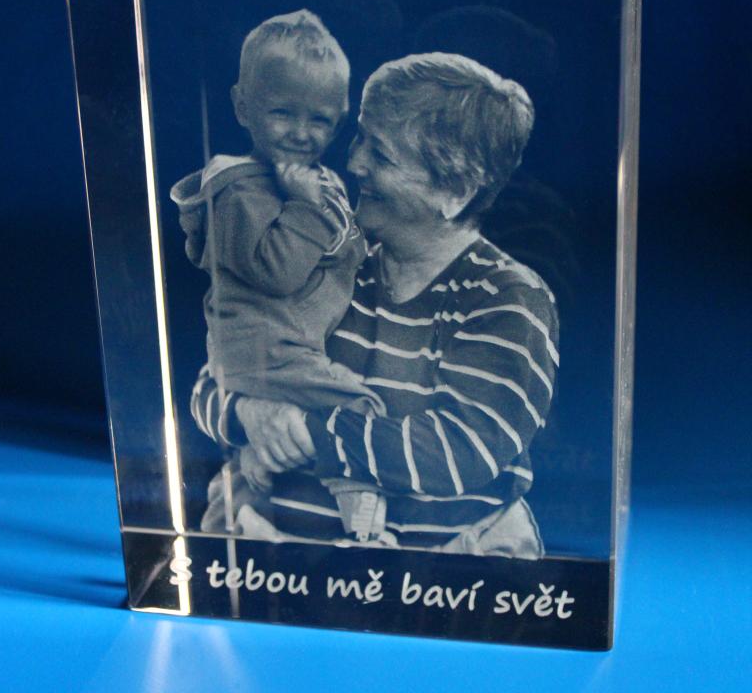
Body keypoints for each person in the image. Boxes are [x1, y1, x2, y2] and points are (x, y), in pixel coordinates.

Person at [192, 52, 559, 558]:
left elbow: (459, 450)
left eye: (381, 156)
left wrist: (308, 431)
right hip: (272, 564)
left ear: (455, 191)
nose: (354, 162)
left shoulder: (508, 299)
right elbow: (216, 378)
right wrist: (249, 412)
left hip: (443, 580)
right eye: (360, 137)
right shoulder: (322, 257)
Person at [170, 10, 387, 541]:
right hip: (266, 350)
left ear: (340, 119)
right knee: (361, 407)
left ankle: (258, 465)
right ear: (243, 107)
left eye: (320, 121)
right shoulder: (238, 192)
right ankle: (355, 496)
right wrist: (306, 208)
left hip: (286, 345)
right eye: (283, 113)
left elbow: (341, 247)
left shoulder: (307, 179)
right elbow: (278, 272)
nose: (301, 133)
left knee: (291, 422)